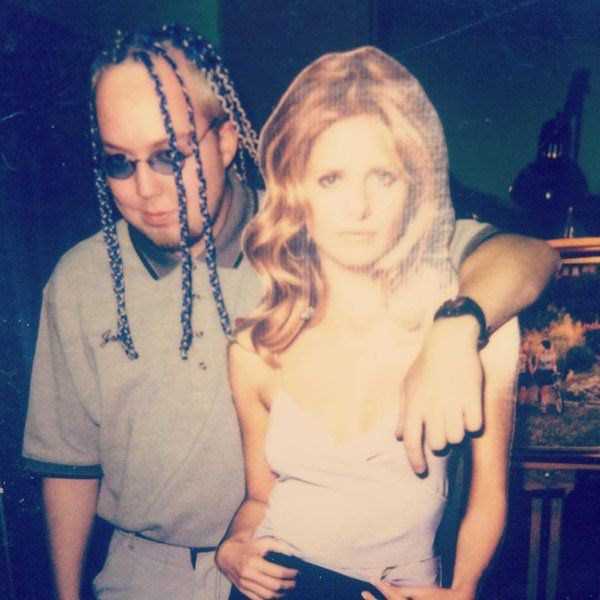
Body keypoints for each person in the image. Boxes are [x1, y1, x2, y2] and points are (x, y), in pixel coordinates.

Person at [21, 25, 557, 600]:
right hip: (152, 572)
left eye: (170, 155)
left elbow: (525, 257)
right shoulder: (81, 282)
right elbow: (68, 467)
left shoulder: (318, 239)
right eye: (120, 163)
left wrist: (458, 322)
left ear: (226, 141)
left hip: (312, 570)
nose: (148, 188)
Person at [217, 47, 520, 599]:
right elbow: (260, 498)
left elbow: (489, 495)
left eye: (383, 177)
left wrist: (463, 589)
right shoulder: (256, 348)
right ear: (298, 191)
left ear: (415, 185)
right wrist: (234, 546)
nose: (358, 207)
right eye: (331, 179)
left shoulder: (471, 329)